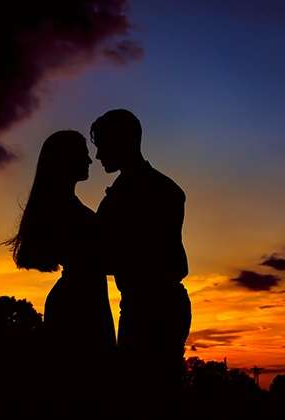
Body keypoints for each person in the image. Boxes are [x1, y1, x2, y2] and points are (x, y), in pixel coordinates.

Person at [2, 130, 116, 417]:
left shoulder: (64, 207)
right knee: (80, 391)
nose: (89, 160)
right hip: (80, 301)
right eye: (83, 153)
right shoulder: (66, 211)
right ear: (66, 160)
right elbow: (103, 259)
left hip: (81, 296)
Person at [91, 109, 192, 417]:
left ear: (125, 142)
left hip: (151, 308)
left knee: (145, 397)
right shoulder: (160, 188)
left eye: (103, 145)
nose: (98, 155)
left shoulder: (152, 192)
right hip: (150, 304)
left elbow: (139, 256)